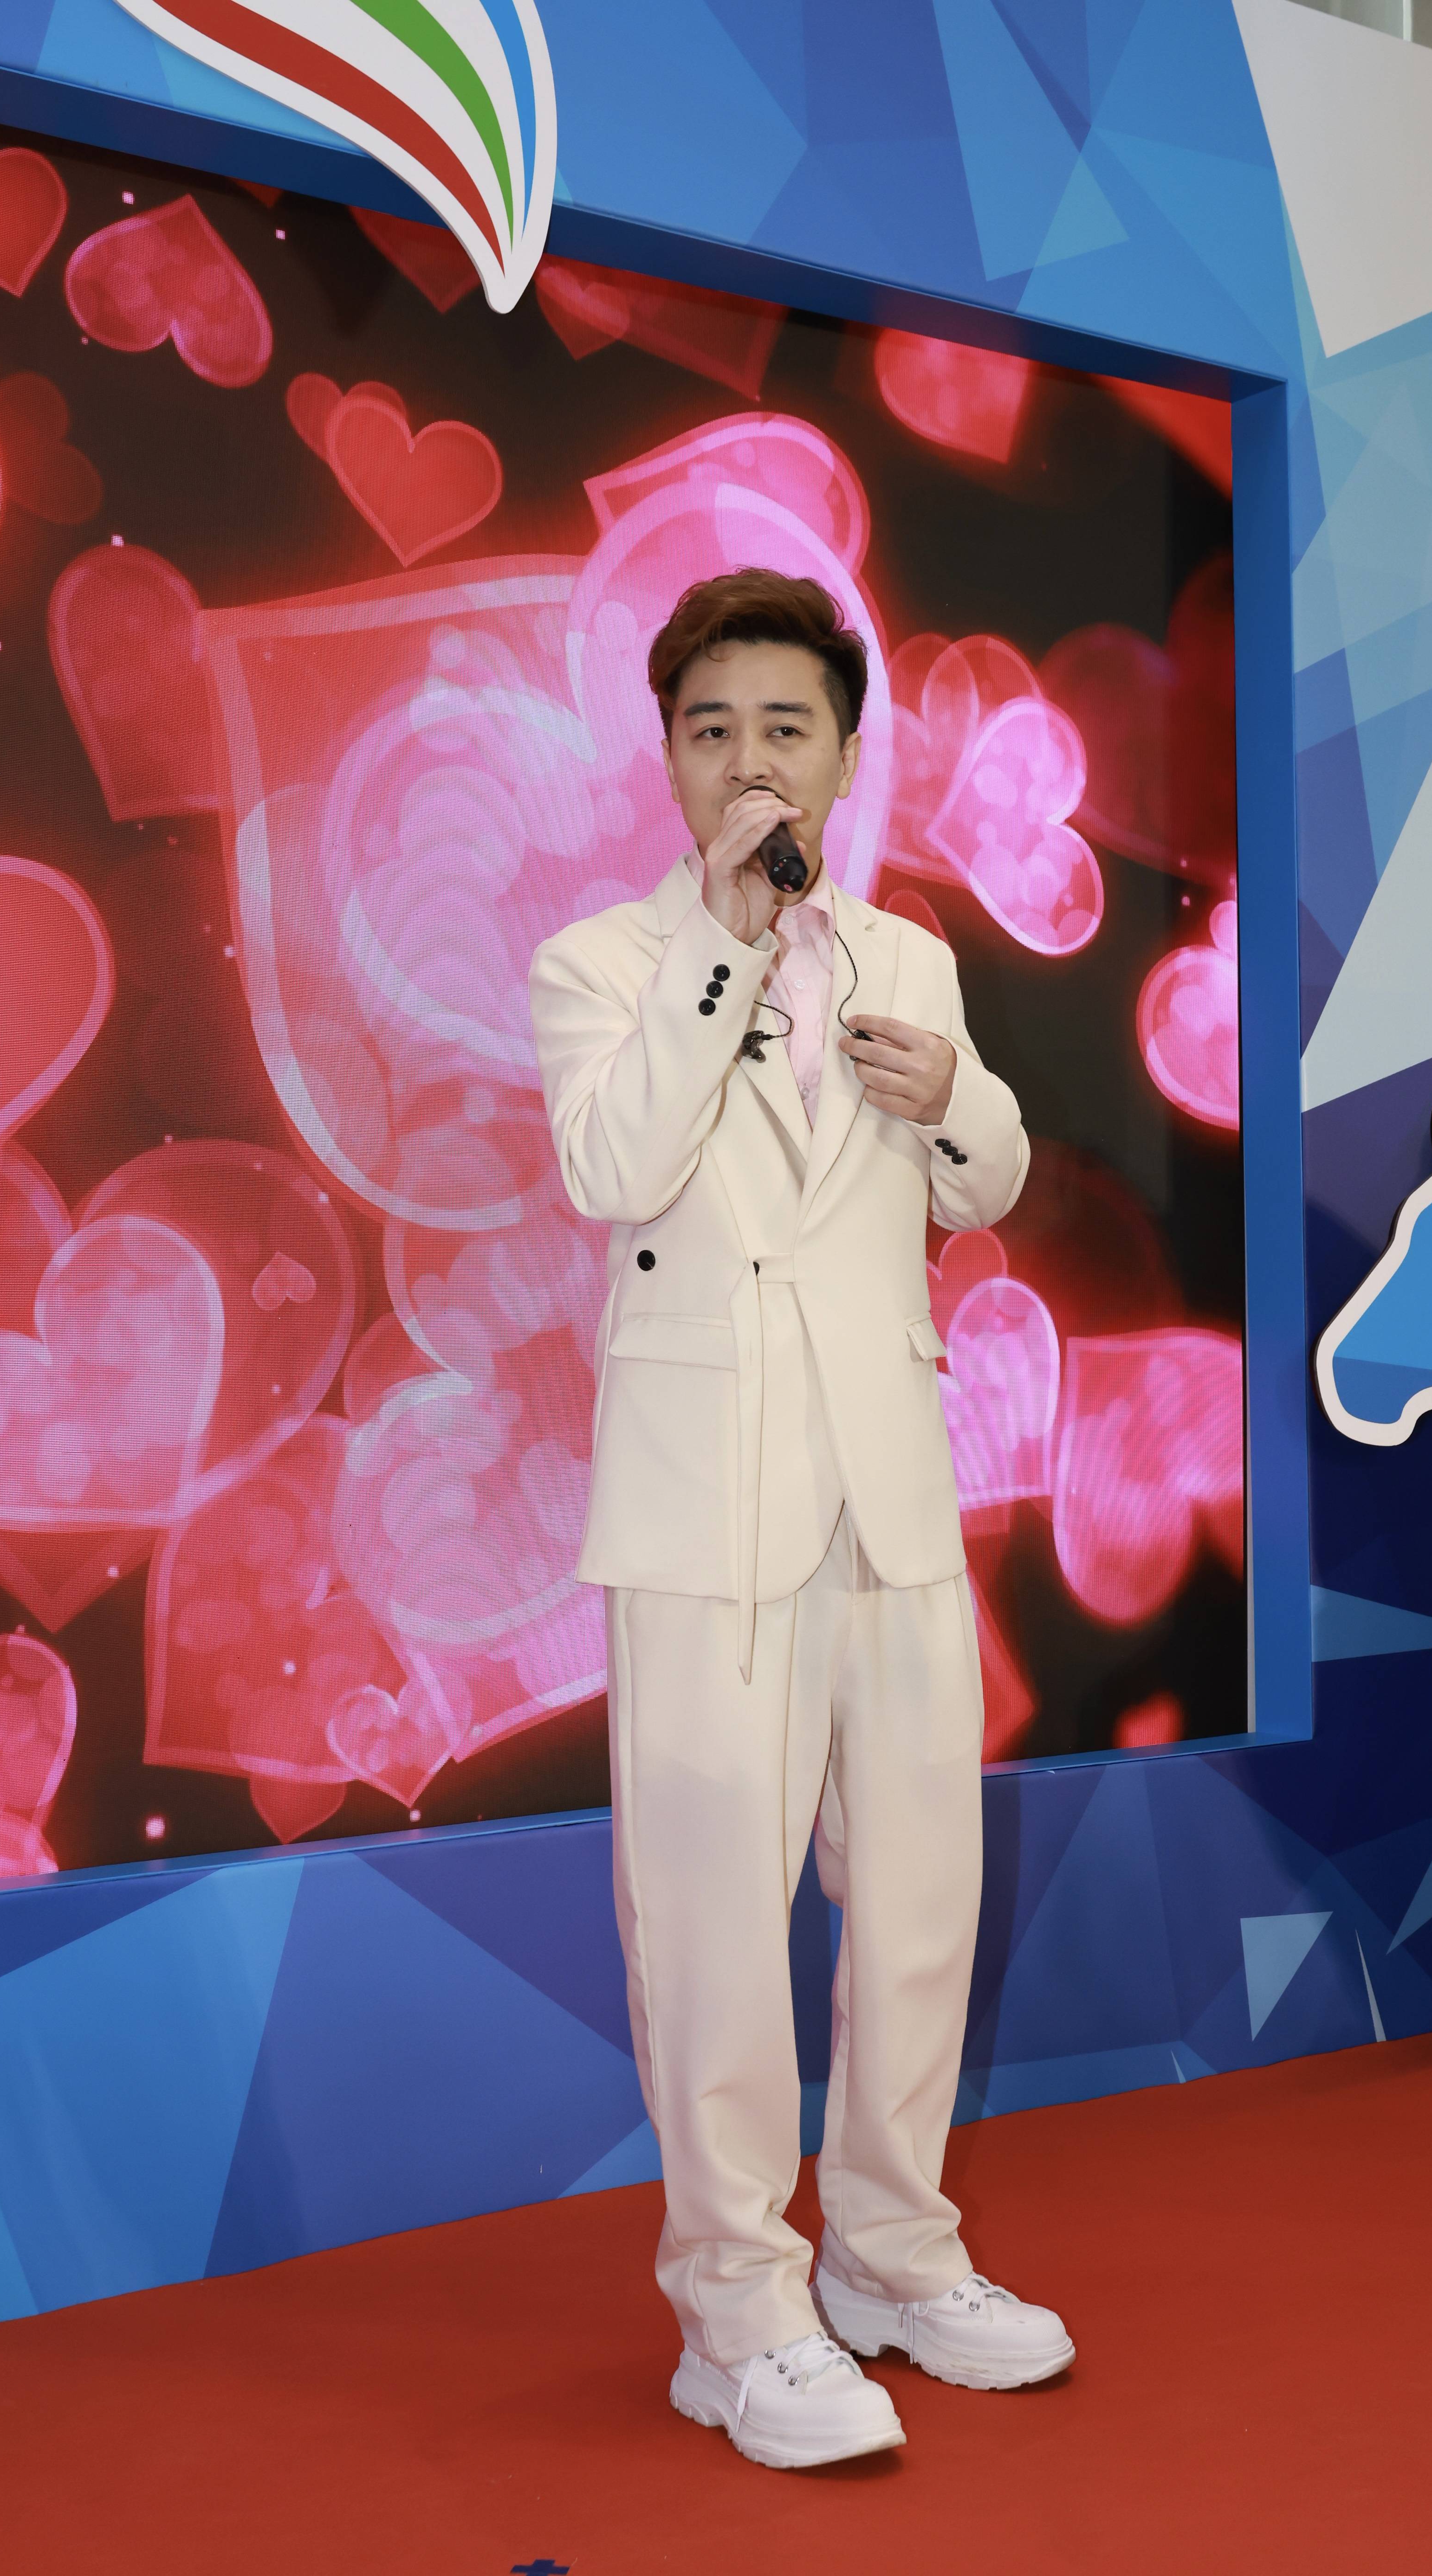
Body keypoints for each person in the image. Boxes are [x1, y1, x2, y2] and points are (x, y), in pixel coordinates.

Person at [528, 568, 1072, 2471]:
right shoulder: (606, 961)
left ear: (845, 754)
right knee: (711, 1924)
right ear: (669, 760)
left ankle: (893, 2255)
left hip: (891, 1483)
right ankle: (736, 2307)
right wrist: (724, 951)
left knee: (919, 1903)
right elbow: (612, 1163)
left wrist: (958, 1097)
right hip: (704, 1506)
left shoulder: (911, 959)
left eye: (786, 726)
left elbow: (982, 1183)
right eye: (713, 730)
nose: (751, 760)